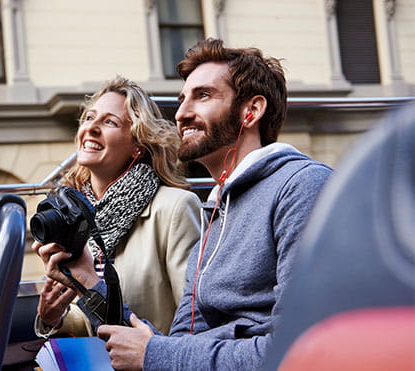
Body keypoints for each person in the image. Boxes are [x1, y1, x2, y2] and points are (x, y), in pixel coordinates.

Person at [46, 39, 333, 370]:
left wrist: (155, 354)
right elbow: (175, 347)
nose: (181, 114)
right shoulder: (214, 213)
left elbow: (303, 350)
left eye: (204, 95)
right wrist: (87, 279)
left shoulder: (301, 187)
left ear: (250, 111)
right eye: (182, 99)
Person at [33, 76, 202, 338]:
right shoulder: (73, 215)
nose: (91, 128)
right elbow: (89, 325)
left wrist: (89, 283)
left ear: (137, 145)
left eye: (109, 122)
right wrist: (52, 317)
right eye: (89, 118)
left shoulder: (175, 208)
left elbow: (194, 327)